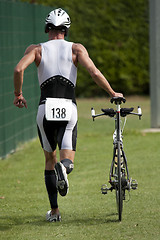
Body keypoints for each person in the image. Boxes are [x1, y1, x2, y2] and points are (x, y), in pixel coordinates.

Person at [13, 8, 123, 222]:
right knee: (66, 161)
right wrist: (112, 92)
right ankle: (64, 169)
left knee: (48, 159)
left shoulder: (36, 49)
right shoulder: (76, 49)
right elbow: (94, 72)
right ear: (66, 30)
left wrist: (18, 94)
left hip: (45, 108)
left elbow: (18, 70)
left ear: (47, 28)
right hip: (68, 108)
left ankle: (54, 212)